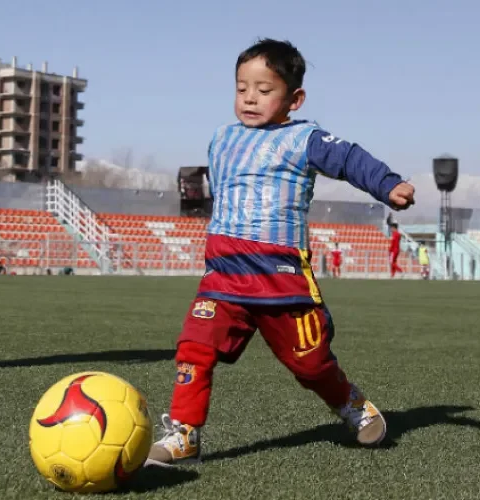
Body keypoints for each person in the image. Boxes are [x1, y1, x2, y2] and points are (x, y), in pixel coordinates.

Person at [146, 38, 416, 466]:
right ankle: (184, 433)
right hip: (223, 276)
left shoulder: (303, 138)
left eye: (264, 89)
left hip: (280, 277)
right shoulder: (221, 138)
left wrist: (386, 183)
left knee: (310, 364)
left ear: (294, 98)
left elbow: (348, 159)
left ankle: (348, 401)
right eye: (241, 88)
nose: (249, 97)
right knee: (194, 346)